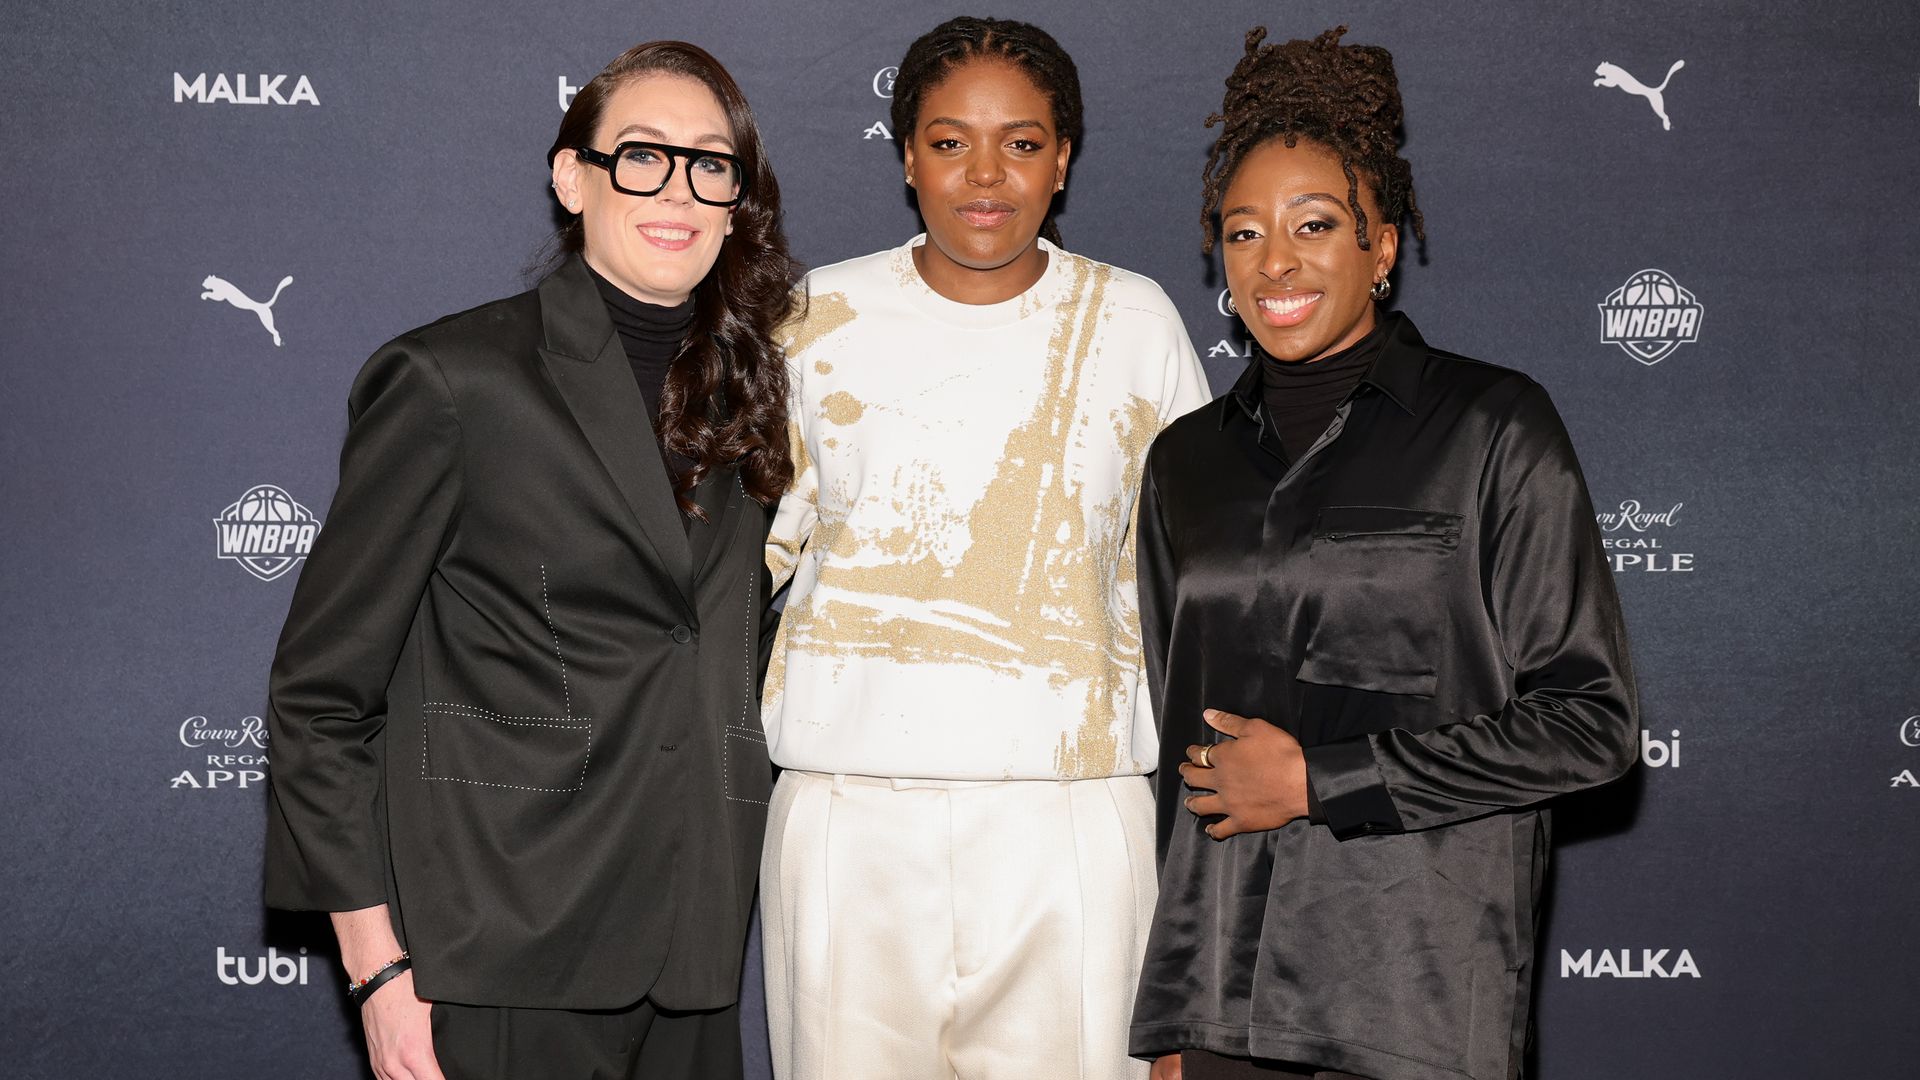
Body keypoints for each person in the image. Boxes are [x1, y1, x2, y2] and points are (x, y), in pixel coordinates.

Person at [262, 40, 795, 1080]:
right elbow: (321, 697)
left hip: (694, 951)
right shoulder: (454, 380)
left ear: (736, 202)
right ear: (572, 177)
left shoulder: (754, 397)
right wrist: (374, 968)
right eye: (642, 155)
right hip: (499, 948)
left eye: (709, 163)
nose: (677, 188)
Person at [1128, 27, 1639, 1080]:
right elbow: (1179, 754)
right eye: (1243, 232)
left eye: (1315, 225)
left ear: (1384, 247)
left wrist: (1321, 780)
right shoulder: (1185, 463)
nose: (1275, 261)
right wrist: (1173, 1009)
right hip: (1226, 1003)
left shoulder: (1493, 427)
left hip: (1416, 996)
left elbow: (1590, 725)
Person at [757, 16, 1211, 1080]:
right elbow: (736, 562)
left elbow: (1201, 584)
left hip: (1073, 818)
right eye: (951, 141)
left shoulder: (1136, 322)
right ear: (908, 157)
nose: (986, 174)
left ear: (1064, 159)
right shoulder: (814, 318)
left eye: (1022, 141)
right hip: (848, 815)